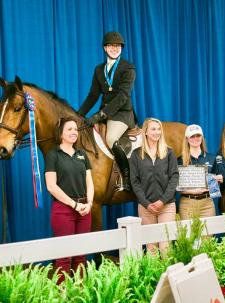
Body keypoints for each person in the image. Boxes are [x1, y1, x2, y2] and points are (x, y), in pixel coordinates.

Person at [78, 31, 136, 191]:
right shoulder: (99, 69)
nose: (114, 48)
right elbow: (93, 95)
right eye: (111, 45)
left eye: (117, 46)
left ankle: (127, 179)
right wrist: (79, 114)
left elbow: (123, 96)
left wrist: (99, 115)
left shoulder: (128, 67)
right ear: (105, 48)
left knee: (110, 139)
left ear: (121, 48)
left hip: (122, 114)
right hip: (105, 114)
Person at [45, 117, 94, 284]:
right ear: (61, 133)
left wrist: (89, 204)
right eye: (69, 129)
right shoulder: (53, 155)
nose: (74, 132)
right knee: (64, 257)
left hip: (84, 210)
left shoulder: (82, 155)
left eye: (75, 129)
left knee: (80, 256)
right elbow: (51, 186)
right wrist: (74, 204)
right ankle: (62, 295)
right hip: (63, 211)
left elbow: (90, 182)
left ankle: (80, 294)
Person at [129, 118, 179, 255]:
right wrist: (146, 203)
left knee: (165, 247)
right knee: (151, 249)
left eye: (158, 129)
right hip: (146, 208)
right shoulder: (136, 154)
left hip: (167, 206)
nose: (156, 132)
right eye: (153, 129)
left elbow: (174, 178)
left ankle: (168, 277)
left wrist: (162, 201)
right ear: (145, 131)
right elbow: (134, 181)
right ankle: (155, 277)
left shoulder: (169, 153)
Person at [178, 124, 223, 219]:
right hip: (187, 204)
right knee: (189, 234)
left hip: (207, 204)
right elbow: (176, 186)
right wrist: (193, 190)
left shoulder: (212, 158)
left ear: (202, 137)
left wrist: (217, 181)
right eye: (192, 136)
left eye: (198, 136)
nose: (195, 139)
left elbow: (214, 189)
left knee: (208, 234)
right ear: (187, 139)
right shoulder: (180, 160)